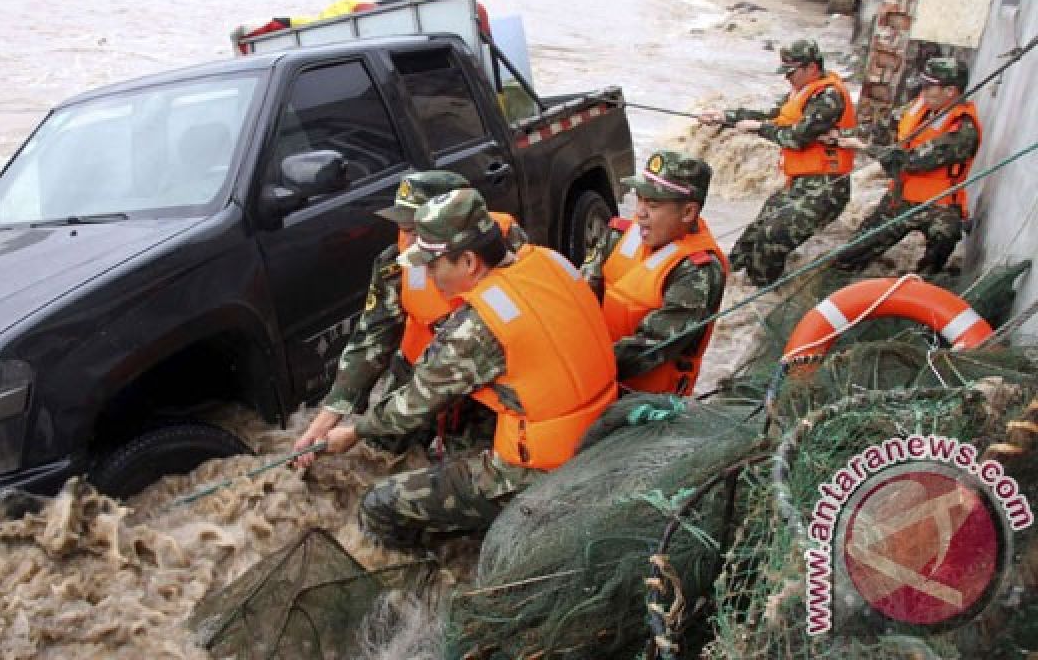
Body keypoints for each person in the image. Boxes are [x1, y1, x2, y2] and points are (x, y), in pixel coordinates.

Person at [320, 189, 618, 547]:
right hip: (599, 432)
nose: (429, 277)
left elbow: (409, 409)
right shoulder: (550, 262)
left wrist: (353, 432)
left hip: (541, 469)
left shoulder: (478, 328)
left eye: (433, 266)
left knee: (379, 503)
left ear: (469, 263)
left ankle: (420, 579)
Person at [292, 171, 524, 467]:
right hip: (419, 371)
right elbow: (372, 338)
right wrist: (329, 415)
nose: (410, 240)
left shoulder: (500, 249)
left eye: (417, 227)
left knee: (461, 465)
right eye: (404, 228)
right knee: (376, 455)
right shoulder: (395, 266)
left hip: (483, 381)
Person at [700, 39, 856, 286]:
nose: (787, 78)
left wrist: (759, 129)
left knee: (773, 236)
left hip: (826, 188)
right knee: (752, 237)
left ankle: (761, 292)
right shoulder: (802, 91)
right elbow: (773, 117)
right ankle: (727, 286)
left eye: (791, 72)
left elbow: (796, 138)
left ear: (811, 68)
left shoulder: (829, 97)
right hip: (800, 183)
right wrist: (726, 117)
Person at [580, 150, 727, 396]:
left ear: (688, 213)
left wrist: (578, 370)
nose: (640, 213)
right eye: (639, 199)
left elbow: (650, 348)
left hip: (646, 403)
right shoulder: (618, 235)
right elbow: (581, 295)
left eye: (653, 204)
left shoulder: (697, 271)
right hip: (598, 375)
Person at [833, 57, 981, 274]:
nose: (924, 90)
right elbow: (885, 124)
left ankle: (926, 278)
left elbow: (910, 161)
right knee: (852, 253)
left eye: (931, 86)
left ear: (950, 91)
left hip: (937, 205)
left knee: (945, 234)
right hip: (901, 196)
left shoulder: (962, 131)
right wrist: (843, 135)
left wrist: (864, 147)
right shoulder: (923, 105)